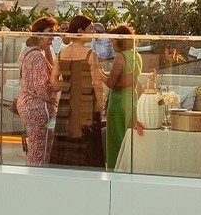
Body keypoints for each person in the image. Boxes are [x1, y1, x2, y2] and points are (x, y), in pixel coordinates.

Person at [51, 15, 105, 167]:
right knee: (88, 144)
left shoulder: (61, 54)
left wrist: (68, 85)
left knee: (66, 144)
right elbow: (97, 83)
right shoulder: (90, 54)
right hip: (87, 105)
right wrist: (101, 107)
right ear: (81, 31)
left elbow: (53, 82)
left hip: (66, 105)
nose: (93, 31)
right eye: (90, 28)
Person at [17, 17, 58, 166]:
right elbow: (43, 87)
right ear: (39, 33)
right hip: (39, 108)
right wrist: (58, 88)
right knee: (41, 150)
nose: (53, 37)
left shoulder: (27, 52)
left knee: (34, 148)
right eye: (50, 32)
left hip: (27, 105)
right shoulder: (37, 56)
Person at [104, 25, 142, 169]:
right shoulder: (136, 55)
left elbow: (111, 83)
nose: (112, 44)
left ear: (120, 41)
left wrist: (98, 74)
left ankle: (116, 169)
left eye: (113, 41)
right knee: (130, 138)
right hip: (132, 100)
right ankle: (130, 167)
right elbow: (130, 80)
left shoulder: (120, 56)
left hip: (118, 103)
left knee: (116, 138)